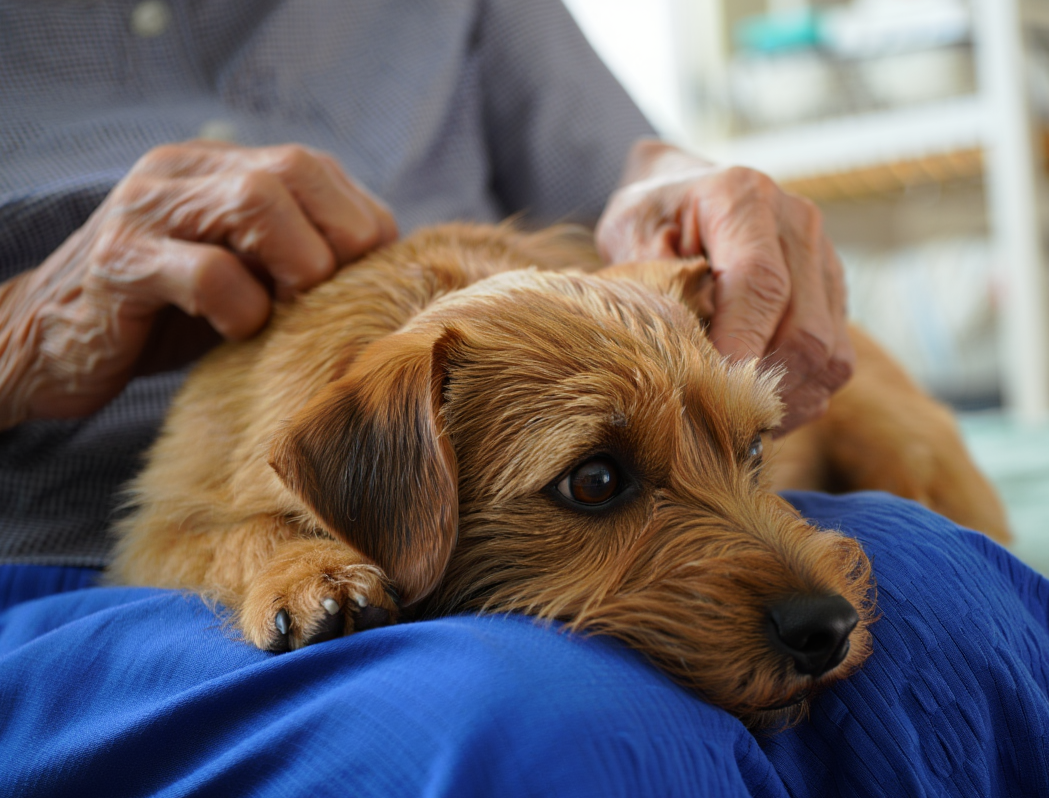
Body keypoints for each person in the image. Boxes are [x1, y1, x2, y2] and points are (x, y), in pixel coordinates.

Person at [1, 2, 1047, 797]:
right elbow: (191, 528)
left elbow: (643, 189)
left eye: (747, 451)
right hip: (68, 565)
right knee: (551, 726)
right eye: (596, 481)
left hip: (497, 391)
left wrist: (698, 200)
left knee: (954, 597)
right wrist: (20, 332)